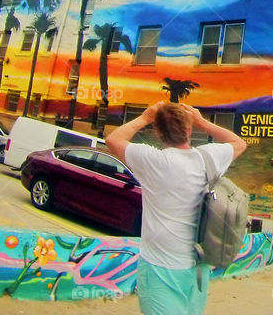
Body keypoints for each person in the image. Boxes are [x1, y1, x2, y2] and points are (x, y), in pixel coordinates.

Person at [105, 101, 247, 315]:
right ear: (189, 130)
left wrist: (145, 116)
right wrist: (202, 122)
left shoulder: (152, 160)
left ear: (158, 131)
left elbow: (113, 139)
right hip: (198, 266)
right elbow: (238, 143)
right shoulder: (209, 157)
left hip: (160, 269)